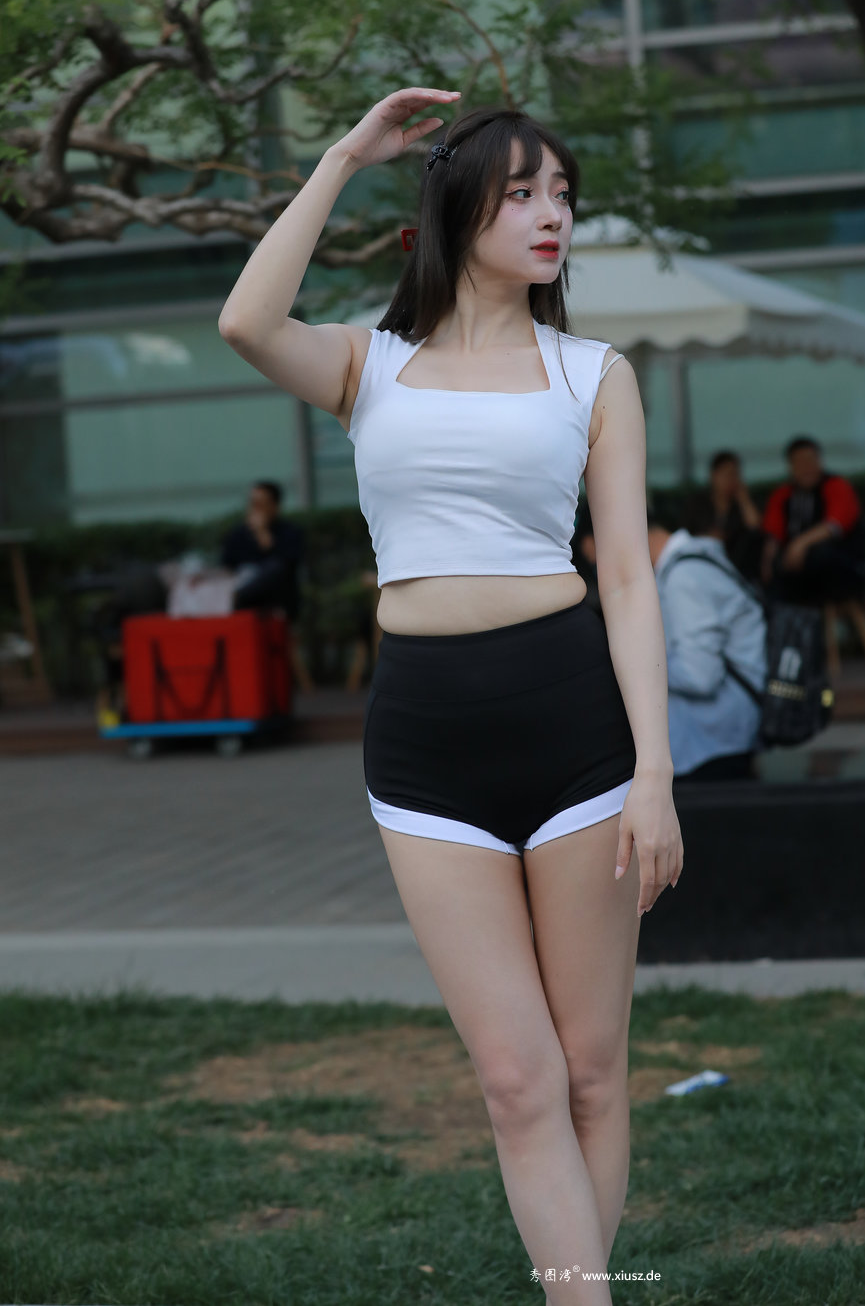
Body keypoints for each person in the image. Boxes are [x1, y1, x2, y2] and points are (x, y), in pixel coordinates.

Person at [218, 88, 682, 1302]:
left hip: (574, 728)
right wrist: (341, 156)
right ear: (456, 209)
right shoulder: (369, 365)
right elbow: (246, 320)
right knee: (517, 1082)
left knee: (590, 1073)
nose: (552, 215)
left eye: (562, 194)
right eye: (522, 193)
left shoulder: (593, 375)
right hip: (425, 744)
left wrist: (655, 773)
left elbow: (626, 580)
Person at [648, 493, 767, 781]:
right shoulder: (698, 556)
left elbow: (700, 675)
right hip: (731, 730)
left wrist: (639, 668)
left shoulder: (683, 576)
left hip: (715, 741)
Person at [762, 435, 865, 606]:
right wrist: (767, 563)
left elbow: (835, 525)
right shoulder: (783, 494)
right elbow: (773, 535)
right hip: (795, 569)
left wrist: (800, 543)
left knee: (822, 553)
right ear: (790, 466)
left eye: (810, 460)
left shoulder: (836, 485)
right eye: (800, 462)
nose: (806, 467)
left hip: (840, 567)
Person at [220, 479, 304, 622]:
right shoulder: (238, 534)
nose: (255, 509)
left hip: (276, 598)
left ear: (275, 506)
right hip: (242, 596)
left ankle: (239, 596)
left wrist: (263, 534)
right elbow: (227, 566)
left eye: (260, 504)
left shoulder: (290, 532)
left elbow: (288, 565)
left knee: (275, 568)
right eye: (252, 503)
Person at [708, 448, 765, 585]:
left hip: (739, 566)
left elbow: (756, 527)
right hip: (707, 562)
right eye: (726, 474)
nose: (731, 480)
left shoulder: (742, 503)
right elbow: (687, 533)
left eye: (735, 474)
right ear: (714, 476)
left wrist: (744, 499)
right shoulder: (699, 503)